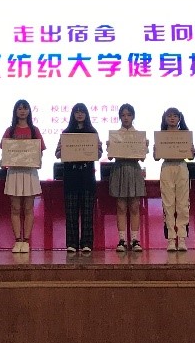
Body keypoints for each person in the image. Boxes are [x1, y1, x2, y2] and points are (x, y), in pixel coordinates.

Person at [57, 103, 103, 255]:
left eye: (82, 111)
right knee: (71, 212)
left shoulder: (92, 132)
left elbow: (99, 154)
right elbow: (57, 154)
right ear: (72, 114)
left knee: (88, 211)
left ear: (86, 114)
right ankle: (71, 243)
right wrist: (62, 150)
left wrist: (97, 148)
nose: (79, 114)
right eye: (76, 112)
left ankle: (87, 243)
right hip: (71, 176)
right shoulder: (66, 133)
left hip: (87, 176)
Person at [1, 99, 44, 254]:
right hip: (14, 173)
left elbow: (39, 152)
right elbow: (5, 152)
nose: (22, 111)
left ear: (29, 111)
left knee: (28, 208)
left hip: (30, 173)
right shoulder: (10, 131)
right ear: (15, 111)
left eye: (25, 108)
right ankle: (17, 240)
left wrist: (37, 160)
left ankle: (26, 240)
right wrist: (3, 161)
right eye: (19, 108)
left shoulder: (34, 130)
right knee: (15, 208)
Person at [109, 103, 146, 253]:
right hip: (119, 169)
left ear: (133, 117)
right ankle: (122, 240)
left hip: (134, 169)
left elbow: (142, 158)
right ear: (120, 117)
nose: (126, 118)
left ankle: (135, 240)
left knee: (135, 206)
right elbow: (110, 157)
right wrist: (110, 147)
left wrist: (144, 147)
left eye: (129, 115)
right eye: (123, 115)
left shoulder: (139, 135)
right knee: (121, 207)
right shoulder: (115, 135)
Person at [157, 107, 192, 252]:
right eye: (169, 116)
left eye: (175, 116)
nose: (172, 118)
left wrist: (191, 151)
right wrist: (155, 150)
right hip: (167, 167)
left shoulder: (185, 135)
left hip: (181, 166)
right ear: (165, 119)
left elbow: (190, 156)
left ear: (179, 118)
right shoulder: (161, 136)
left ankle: (182, 238)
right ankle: (171, 239)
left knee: (183, 204)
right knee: (168, 204)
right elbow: (156, 157)